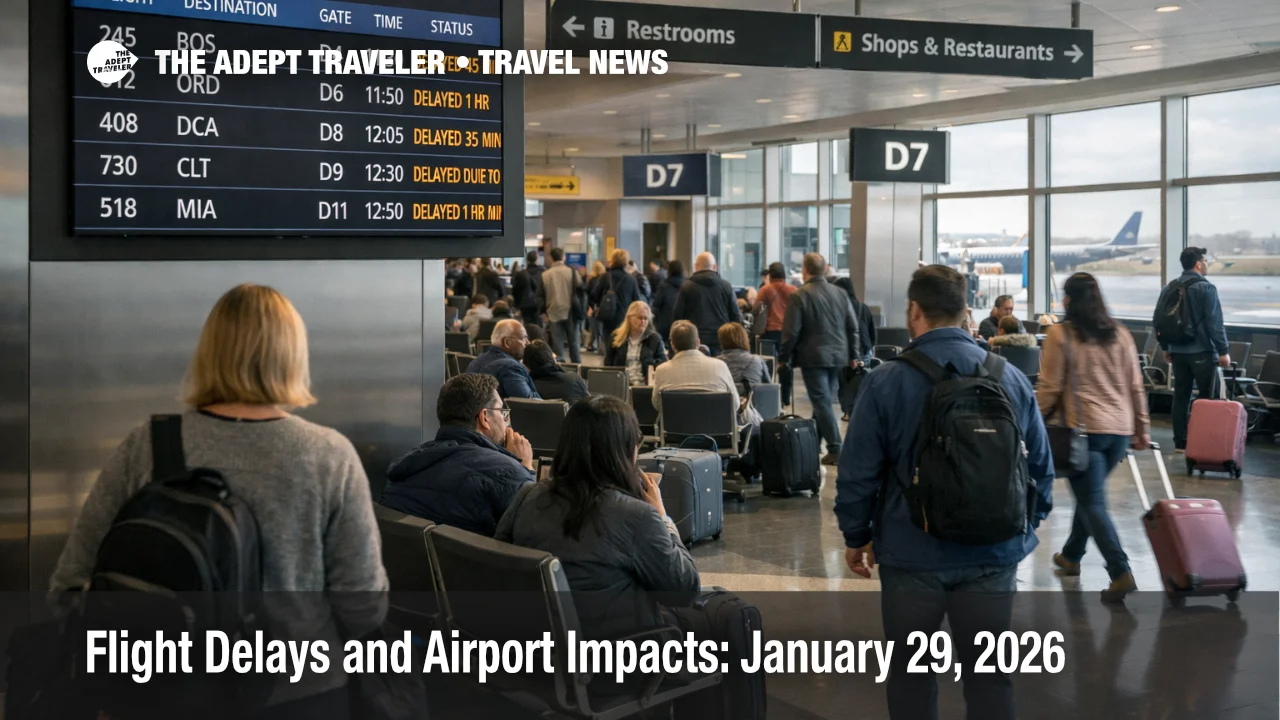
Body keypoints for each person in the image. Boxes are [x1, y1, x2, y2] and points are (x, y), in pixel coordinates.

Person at [50, 283, 388, 716]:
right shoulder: (328, 454)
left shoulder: (149, 445)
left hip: (161, 695)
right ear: (293, 355)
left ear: (209, 351)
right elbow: (363, 607)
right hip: (302, 695)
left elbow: (69, 586)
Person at [835, 265, 1054, 720]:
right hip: (993, 555)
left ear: (914, 310)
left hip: (912, 551)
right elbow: (1041, 470)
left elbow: (858, 473)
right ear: (967, 313)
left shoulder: (885, 381)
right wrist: (1019, 527)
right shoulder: (1009, 378)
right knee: (991, 678)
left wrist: (857, 536)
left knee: (912, 678)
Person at [495, 395, 699, 641]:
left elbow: (499, 562)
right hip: (615, 658)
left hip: (533, 648)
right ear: (626, 449)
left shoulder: (528, 495)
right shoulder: (638, 516)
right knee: (729, 612)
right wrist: (663, 518)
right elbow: (684, 591)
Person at [1038, 273, 1150, 602]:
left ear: (1068, 300)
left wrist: (1032, 420)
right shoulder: (1121, 333)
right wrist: (1142, 427)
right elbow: (1135, 386)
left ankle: (1120, 571)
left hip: (1084, 431)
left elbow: (1050, 388)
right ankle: (1071, 556)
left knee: (1092, 501)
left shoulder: (1061, 334)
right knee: (1091, 495)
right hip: (1119, 432)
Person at [381, 374, 534, 536]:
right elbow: (534, 535)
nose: (506, 422)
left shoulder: (405, 466)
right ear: (484, 418)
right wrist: (525, 468)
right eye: (502, 412)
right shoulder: (509, 474)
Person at [780, 253, 861, 466]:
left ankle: (836, 447)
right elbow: (853, 327)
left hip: (812, 356)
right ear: (824, 269)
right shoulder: (840, 293)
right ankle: (815, 445)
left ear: (805, 270)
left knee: (822, 401)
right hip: (838, 356)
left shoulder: (800, 295)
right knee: (822, 400)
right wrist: (854, 354)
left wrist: (783, 357)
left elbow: (791, 332)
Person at [1155, 246, 1231, 453]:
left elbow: (1158, 319)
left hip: (1177, 351)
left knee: (1181, 396)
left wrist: (1166, 346)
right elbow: (1214, 323)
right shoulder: (1206, 288)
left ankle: (1180, 442)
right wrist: (1223, 351)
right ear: (1198, 263)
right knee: (1207, 397)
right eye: (1205, 260)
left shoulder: (1169, 287)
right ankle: (1203, 441)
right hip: (1202, 351)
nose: (1207, 263)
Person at [652, 321, 739, 418]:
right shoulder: (720, 366)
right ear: (698, 342)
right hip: (716, 431)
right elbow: (735, 404)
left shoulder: (662, 370)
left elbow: (657, 404)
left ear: (672, 345)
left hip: (676, 431)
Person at [673, 252, 741, 356]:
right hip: (721, 339)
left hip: (694, 340)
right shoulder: (726, 286)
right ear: (715, 267)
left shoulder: (686, 287)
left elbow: (678, 316)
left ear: (696, 267)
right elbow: (736, 315)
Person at [754, 262, 798, 405]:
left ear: (770, 274)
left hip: (771, 333)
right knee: (786, 365)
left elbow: (756, 310)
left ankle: (770, 398)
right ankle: (785, 398)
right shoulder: (793, 290)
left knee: (768, 366)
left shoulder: (766, 289)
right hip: (788, 333)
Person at [466, 319, 541, 399]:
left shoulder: (476, 361)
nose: (527, 343)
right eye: (524, 339)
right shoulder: (511, 367)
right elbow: (530, 403)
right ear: (507, 342)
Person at [537, 248, 584, 364]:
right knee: (574, 343)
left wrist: (543, 312)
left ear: (551, 258)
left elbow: (540, 296)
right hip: (571, 311)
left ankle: (560, 369)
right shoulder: (572, 272)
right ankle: (577, 368)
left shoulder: (545, 275)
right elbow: (581, 289)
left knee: (557, 344)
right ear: (563, 257)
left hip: (552, 311)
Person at [605, 300, 668, 386]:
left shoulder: (655, 339)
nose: (643, 321)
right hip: (621, 385)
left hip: (645, 386)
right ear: (630, 318)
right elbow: (608, 363)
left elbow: (663, 363)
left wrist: (653, 364)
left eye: (646, 318)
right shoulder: (615, 337)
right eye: (640, 318)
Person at [593, 249, 643, 339]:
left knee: (609, 344)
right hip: (625, 318)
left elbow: (594, 295)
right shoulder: (631, 280)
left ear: (612, 260)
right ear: (626, 261)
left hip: (608, 316)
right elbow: (637, 300)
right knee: (623, 344)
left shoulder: (605, 276)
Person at [524, 339, 589, 405]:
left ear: (526, 364)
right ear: (551, 357)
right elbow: (590, 406)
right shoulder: (574, 379)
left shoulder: (527, 389)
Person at [718, 322, 770, 401]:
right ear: (745, 339)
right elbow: (770, 388)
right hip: (755, 406)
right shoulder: (757, 360)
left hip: (725, 408)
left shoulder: (716, 363)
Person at [832, 276, 878, 364]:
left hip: (844, 354)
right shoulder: (864, 308)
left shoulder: (838, 308)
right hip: (864, 351)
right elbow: (872, 333)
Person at [651, 259, 685, 351]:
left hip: (665, 324)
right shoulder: (687, 285)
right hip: (683, 324)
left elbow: (657, 304)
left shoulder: (664, 286)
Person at [511, 250, 544, 327]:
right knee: (539, 327)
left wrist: (517, 305)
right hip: (540, 305)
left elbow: (515, 291)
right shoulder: (544, 273)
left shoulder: (520, 274)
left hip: (525, 305)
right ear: (537, 259)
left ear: (527, 260)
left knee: (526, 327)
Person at [586, 260, 608, 352]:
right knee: (601, 328)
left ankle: (592, 344)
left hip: (594, 306)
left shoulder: (591, 280)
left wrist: (589, 306)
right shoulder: (606, 278)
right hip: (603, 306)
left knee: (594, 327)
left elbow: (590, 295)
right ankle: (601, 347)